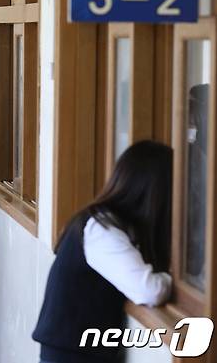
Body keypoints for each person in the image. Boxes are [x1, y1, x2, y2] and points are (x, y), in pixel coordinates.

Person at [32, 140, 173, 363]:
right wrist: (172, 279)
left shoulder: (111, 223)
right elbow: (149, 290)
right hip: (71, 356)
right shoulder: (102, 229)